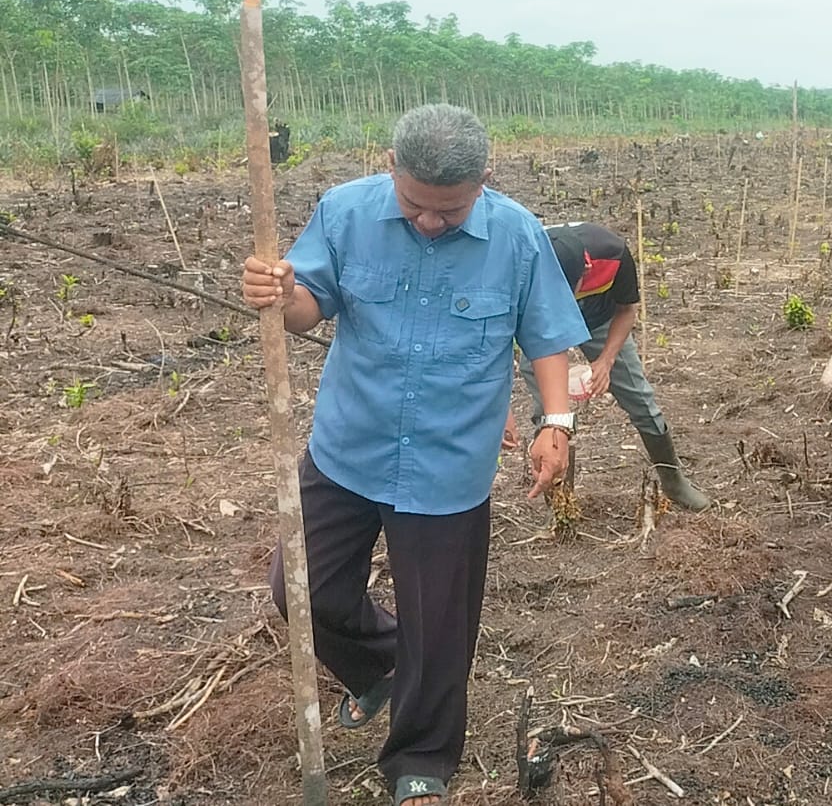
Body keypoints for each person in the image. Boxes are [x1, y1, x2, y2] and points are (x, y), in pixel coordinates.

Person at [242, 104, 589, 806]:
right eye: (416, 205)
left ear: (485, 180)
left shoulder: (518, 238)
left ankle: (420, 757)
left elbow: (546, 338)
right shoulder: (344, 212)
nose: (430, 220)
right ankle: (380, 667)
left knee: (440, 624)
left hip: (447, 460)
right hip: (348, 445)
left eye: (450, 210)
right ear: (389, 166)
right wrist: (282, 295)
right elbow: (311, 305)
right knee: (302, 588)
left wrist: (557, 422)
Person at [503, 220, 711, 510]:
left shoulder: (612, 255)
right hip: (543, 326)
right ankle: (559, 502)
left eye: (567, 288)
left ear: (586, 270)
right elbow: (500, 333)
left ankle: (674, 482)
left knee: (641, 399)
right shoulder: (524, 260)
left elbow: (627, 311)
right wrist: (501, 404)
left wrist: (606, 360)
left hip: (601, 320)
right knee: (548, 416)